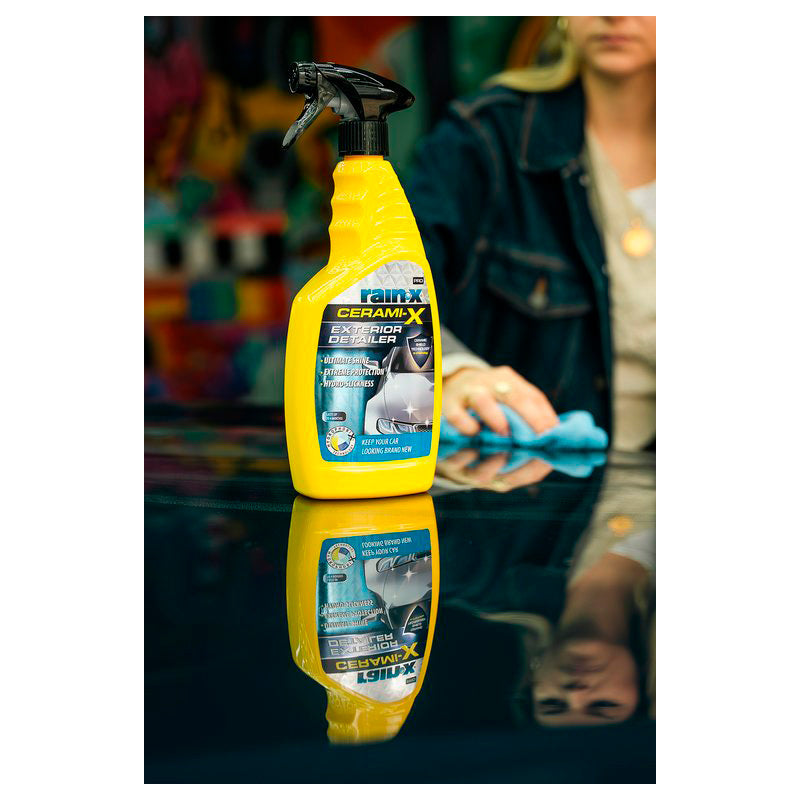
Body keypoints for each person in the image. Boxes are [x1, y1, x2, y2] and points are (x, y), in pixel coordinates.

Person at [406, 16, 656, 452]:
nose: (614, 12)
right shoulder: (485, 135)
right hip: (532, 480)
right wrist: (453, 370)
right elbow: (382, 281)